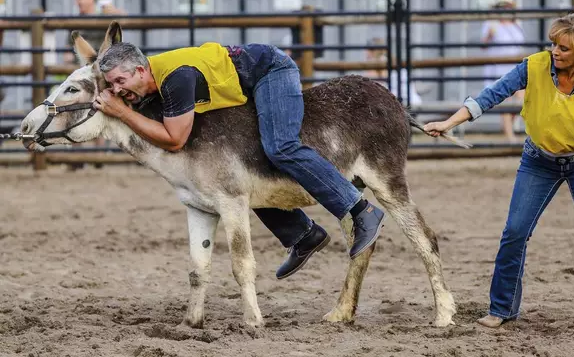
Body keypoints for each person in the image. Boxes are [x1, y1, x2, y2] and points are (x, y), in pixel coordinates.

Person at [92, 42, 386, 279]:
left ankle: (360, 210)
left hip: (271, 70)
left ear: (141, 70)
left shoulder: (175, 79)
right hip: (248, 83)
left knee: (281, 146)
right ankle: (303, 234)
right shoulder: (152, 81)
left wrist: (121, 113)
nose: (117, 90)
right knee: (245, 172)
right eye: (111, 85)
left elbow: (175, 139)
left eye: (120, 81)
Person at [423, 12, 574, 328]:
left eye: (563, 48)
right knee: (515, 231)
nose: (555, 52)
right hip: (539, 161)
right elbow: (492, 94)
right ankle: (502, 309)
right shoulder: (533, 66)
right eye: (553, 45)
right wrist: (449, 122)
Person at [65, 0, 126, 170]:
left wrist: (114, 12)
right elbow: (69, 49)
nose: (79, 2)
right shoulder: (76, 21)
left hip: (100, 72)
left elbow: (124, 20)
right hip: (82, 71)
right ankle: (78, 158)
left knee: (99, 108)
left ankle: (98, 157)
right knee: (74, 110)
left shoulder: (104, 17)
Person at [480, 0, 526, 142]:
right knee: (507, 100)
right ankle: (510, 136)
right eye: (502, 6)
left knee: (523, 99)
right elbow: (483, 44)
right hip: (499, 68)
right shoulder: (491, 24)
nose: (505, 9)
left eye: (507, 6)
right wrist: (489, 35)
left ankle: (509, 129)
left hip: (515, 67)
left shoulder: (516, 24)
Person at [364, 37, 423, 107]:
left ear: (370, 51)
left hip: (397, 104)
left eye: (367, 50)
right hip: (414, 100)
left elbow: (369, 87)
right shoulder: (392, 60)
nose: (365, 53)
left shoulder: (376, 64)